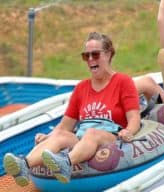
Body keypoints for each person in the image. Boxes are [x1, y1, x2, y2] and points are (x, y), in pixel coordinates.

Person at [3, 32, 141, 185]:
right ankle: (24, 164)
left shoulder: (123, 81)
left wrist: (129, 132)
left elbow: (134, 117)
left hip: (110, 136)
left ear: (108, 54)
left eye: (95, 55)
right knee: (62, 134)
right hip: (82, 139)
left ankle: (66, 164)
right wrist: (48, 137)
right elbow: (65, 125)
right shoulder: (81, 88)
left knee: (92, 133)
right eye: (86, 56)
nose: (90, 60)